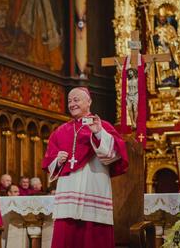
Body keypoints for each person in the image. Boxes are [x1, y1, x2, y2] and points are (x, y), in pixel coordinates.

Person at [42, 87, 128, 248]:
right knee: (66, 234)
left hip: (93, 187)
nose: (72, 104)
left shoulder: (103, 126)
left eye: (76, 100)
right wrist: (58, 161)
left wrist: (98, 133)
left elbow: (114, 154)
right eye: (69, 101)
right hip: (68, 192)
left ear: (89, 102)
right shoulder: (60, 132)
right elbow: (49, 162)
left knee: (92, 235)